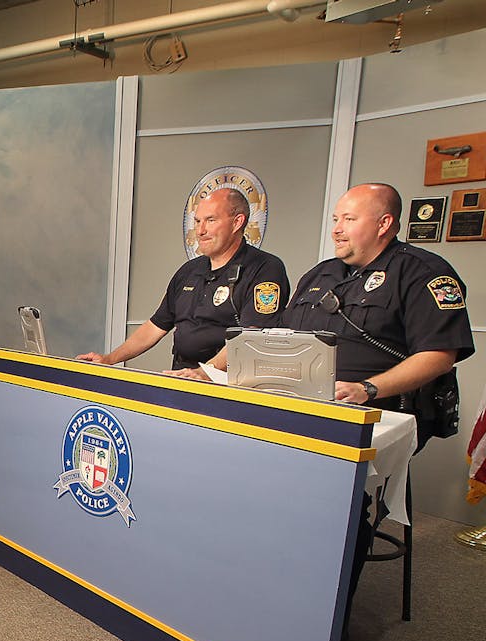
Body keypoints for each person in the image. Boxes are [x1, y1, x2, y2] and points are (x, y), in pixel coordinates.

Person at [280, 182, 471, 611]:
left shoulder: (423, 273)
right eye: (335, 219)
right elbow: (286, 341)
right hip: (307, 406)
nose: (337, 229)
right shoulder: (320, 275)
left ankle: (322, 621)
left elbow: (441, 355)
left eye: (349, 219)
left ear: (384, 223)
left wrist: (368, 389)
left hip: (382, 412)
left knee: (335, 504)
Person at [76, 187, 290, 370]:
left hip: (228, 389)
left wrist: (205, 373)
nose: (200, 230)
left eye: (210, 220)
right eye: (197, 221)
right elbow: (155, 326)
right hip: (182, 379)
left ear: (237, 223)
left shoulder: (265, 268)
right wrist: (109, 359)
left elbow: (252, 336)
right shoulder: (189, 271)